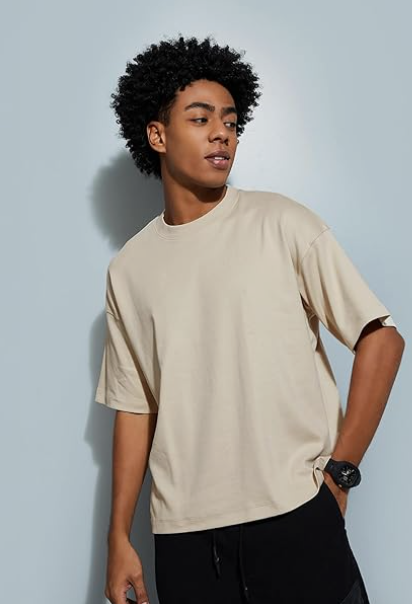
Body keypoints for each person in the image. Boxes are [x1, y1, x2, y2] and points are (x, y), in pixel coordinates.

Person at [94, 34, 405, 604]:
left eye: (231, 121)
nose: (222, 133)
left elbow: (381, 339)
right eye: (201, 118)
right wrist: (118, 537)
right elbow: (135, 407)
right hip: (185, 538)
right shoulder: (130, 269)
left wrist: (342, 471)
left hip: (296, 513)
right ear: (157, 135)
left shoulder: (281, 222)